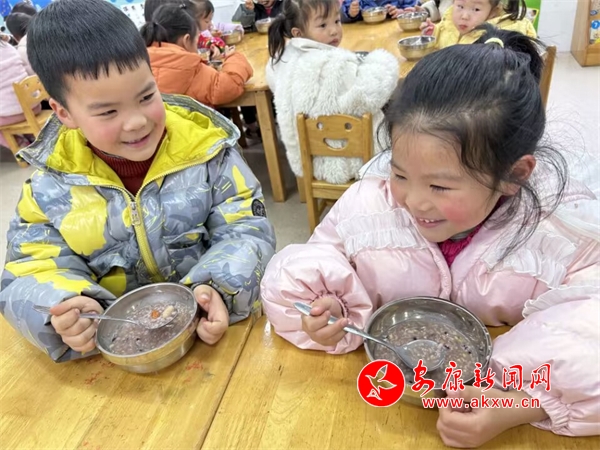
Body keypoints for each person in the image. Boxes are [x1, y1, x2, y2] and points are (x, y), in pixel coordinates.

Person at [260, 27, 599, 446]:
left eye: (439, 186)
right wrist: (324, 307)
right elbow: (309, 264)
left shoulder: (559, 231)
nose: (413, 201)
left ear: (513, 174)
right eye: (400, 174)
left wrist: (519, 403)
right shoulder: (370, 206)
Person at [0, 0, 275, 362]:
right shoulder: (49, 187)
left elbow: (246, 229)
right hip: (115, 358)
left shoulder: (207, 151)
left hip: (214, 338)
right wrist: (65, 307)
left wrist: (219, 288)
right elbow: (28, 270)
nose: (137, 122)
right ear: (65, 113)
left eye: (146, 96)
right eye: (108, 111)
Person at [266, 0, 399, 184]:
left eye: (336, 21)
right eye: (323, 25)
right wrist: (384, 62)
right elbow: (367, 97)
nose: (334, 30)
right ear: (298, 32)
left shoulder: (281, 61)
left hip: (310, 162)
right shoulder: (336, 65)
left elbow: (275, 83)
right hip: (351, 161)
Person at [142, 4, 253, 108]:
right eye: (196, 41)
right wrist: (233, 57)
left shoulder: (141, 62)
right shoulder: (188, 66)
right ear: (186, 40)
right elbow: (228, 86)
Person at [421, 0, 536, 48]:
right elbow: (444, 37)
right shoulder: (450, 19)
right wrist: (433, 34)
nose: (464, 16)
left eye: (476, 9)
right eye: (460, 6)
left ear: (493, 12)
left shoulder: (503, 35)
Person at [342, 0, 418, 22]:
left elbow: (415, 9)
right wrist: (351, 13)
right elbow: (341, 16)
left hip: (395, 33)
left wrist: (402, 12)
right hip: (365, 34)